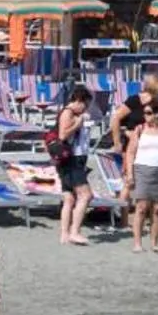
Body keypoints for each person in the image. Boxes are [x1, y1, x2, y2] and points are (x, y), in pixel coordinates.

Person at [124, 99, 158, 255]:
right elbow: (130, 153)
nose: (145, 116)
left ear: (157, 114)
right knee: (141, 207)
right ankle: (137, 243)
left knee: (157, 209)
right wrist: (129, 174)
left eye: (149, 113)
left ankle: (154, 243)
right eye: (144, 113)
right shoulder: (139, 130)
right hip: (142, 169)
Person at [53, 86, 93, 247]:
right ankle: (75, 232)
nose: (86, 108)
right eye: (86, 104)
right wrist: (79, 122)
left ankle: (64, 234)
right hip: (72, 159)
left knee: (69, 198)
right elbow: (63, 135)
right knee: (86, 195)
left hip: (73, 159)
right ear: (78, 101)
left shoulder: (73, 113)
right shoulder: (68, 112)